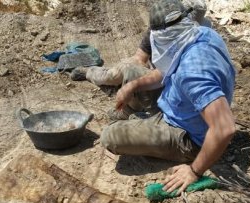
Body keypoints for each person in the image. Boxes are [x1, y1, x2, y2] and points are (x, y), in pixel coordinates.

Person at [100, 0, 236, 195]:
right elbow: (167, 69)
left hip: (188, 137)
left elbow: (224, 128)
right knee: (132, 73)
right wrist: (133, 85)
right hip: (181, 104)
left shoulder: (193, 72)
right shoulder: (201, 34)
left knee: (110, 136)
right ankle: (136, 118)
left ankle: (145, 126)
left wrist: (194, 170)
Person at [70, 0, 211, 120]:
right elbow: (140, 58)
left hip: (175, 84)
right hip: (153, 71)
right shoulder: (163, 26)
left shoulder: (205, 38)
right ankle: (90, 72)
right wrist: (133, 78)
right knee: (113, 75)